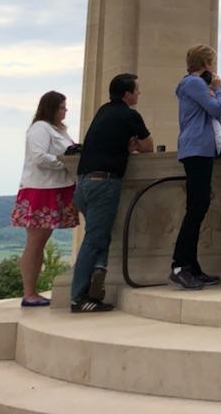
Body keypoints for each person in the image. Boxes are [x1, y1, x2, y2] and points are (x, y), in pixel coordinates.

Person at [71, 73, 154, 313]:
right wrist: (134, 146)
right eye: (136, 90)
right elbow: (148, 146)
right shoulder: (129, 115)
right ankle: (79, 298)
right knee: (94, 239)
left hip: (84, 183)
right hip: (103, 183)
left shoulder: (102, 111)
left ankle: (96, 286)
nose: (139, 94)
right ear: (127, 94)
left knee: (100, 236)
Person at [11, 90, 79, 307]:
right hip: (42, 189)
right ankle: (29, 292)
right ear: (52, 108)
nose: (65, 110)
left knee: (40, 241)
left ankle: (32, 291)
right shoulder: (40, 128)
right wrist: (66, 163)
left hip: (56, 187)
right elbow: (38, 156)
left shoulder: (58, 130)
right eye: (61, 107)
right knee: (36, 242)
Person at [170, 44, 221, 291]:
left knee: (198, 206)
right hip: (197, 149)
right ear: (205, 64)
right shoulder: (194, 83)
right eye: (212, 63)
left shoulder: (191, 85)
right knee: (196, 208)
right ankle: (180, 265)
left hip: (198, 149)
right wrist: (219, 89)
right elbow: (216, 109)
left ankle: (192, 266)